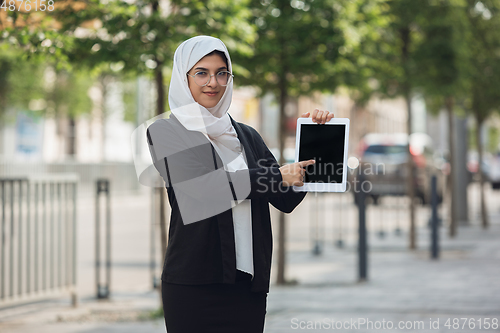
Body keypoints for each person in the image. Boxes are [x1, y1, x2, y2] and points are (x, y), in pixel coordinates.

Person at [146, 35, 334, 333]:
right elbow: (204, 190)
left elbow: (284, 198)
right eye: (202, 72)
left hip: (246, 286)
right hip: (193, 285)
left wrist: (315, 137)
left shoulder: (247, 136)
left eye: (222, 73)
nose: (213, 82)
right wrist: (276, 175)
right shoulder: (167, 132)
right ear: (184, 77)